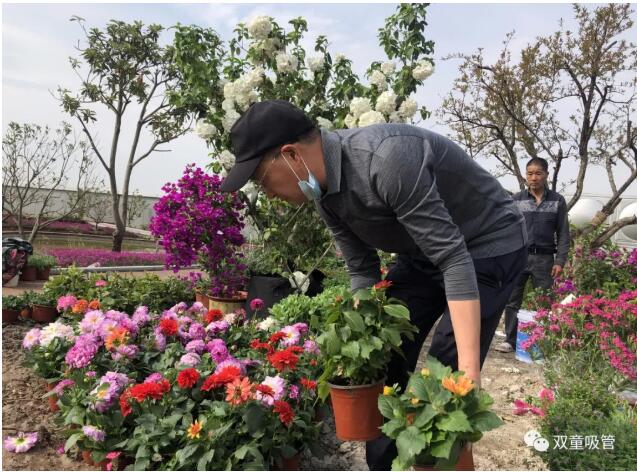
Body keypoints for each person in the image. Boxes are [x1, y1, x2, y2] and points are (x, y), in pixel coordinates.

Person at [220, 100, 528, 470]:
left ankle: (442, 460)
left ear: (290, 155)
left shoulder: (385, 159)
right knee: (385, 353)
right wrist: (359, 334)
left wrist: (468, 373)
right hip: (423, 253)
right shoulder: (324, 196)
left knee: (446, 375)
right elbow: (362, 270)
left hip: (487, 244)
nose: (267, 193)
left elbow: (453, 257)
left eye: (262, 179)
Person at [495, 157, 570, 353]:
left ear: (546, 175)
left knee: (544, 301)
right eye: (530, 174)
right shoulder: (516, 200)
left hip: (545, 260)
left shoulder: (557, 201)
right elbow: (507, 230)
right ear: (525, 176)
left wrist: (560, 261)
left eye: (538, 173)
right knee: (512, 300)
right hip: (518, 257)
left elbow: (563, 233)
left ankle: (540, 342)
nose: (534, 178)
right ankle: (510, 340)